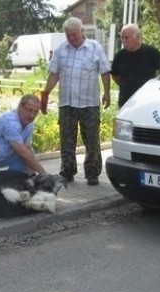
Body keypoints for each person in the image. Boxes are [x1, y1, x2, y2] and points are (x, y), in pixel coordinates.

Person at [40, 17, 111, 186]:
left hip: (90, 103)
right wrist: (45, 94)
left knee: (92, 140)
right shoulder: (61, 50)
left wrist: (107, 93)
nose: (71, 38)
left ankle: (92, 174)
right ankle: (67, 172)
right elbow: (54, 74)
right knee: (66, 139)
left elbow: (105, 72)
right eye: (68, 35)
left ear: (82, 32)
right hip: (67, 103)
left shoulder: (95, 48)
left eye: (74, 34)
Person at [111, 23, 160, 107]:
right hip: (126, 101)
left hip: (147, 101)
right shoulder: (119, 56)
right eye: (122, 37)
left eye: (127, 37)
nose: (124, 40)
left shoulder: (152, 53)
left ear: (137, 37)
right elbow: (115, 76)